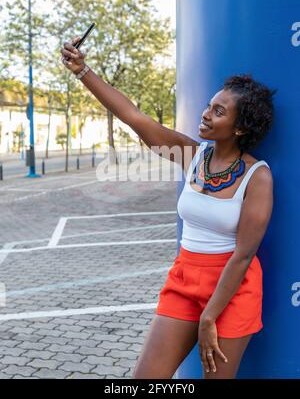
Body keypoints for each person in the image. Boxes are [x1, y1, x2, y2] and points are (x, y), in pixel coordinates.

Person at [61, 39, 275, 379]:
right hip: (185, 278)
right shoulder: (190, 154)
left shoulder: (257, 176)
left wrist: (209, 317)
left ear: (240, 127)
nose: (206, 113)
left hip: (232, 288)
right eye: (209, 105)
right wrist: (83, 71)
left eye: (219, 111)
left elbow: (243, 256)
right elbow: (133, 117)